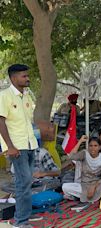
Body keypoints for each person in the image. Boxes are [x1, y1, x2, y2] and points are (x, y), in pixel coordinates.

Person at [0, 64, 40, 227]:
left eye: (27, 75)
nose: (27, 78)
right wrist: (9, 146)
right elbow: (1, 121)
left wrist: (36, 142)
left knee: (27, 182)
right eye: (24, 76)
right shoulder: (5, 96)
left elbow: (28, 122)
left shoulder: (27, 96)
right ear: (13, 78)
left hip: (30, 144)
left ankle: (22, 218)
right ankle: (20, 222)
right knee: (23, 183)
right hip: (16, 147)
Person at [62, 136, 101, 205]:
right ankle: (87, 196)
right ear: (88, 146)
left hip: (98, 186)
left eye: (95, 146)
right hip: (84, 185)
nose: (93, 148)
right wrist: (80, 141)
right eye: (90, 146)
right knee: (65, 187)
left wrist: (94, 186)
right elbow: (71, 156)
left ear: (99, 147)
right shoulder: (84, 154)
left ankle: (78, 196)